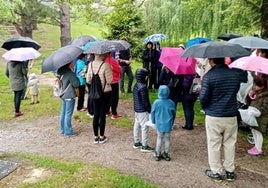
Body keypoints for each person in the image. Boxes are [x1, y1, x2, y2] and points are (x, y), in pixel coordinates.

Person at [199, 57, 240, 182]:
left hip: (214, 115)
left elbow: (203, 98)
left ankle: (216, 172)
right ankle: (230, 171)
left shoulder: (209, 76)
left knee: (214, 144)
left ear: (211, 60)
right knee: (230, 143)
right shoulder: (234, 74)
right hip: (231, 115)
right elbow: (235, 91)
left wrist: (206, 108)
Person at [87, 53, 112, 144]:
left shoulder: (90, 64)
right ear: (103, 55)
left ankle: (95, 136)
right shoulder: (106, 65)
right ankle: (102, 136)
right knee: (102, 114)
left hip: (94, 92)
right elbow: (109, 81)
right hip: (105, 92)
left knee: (96, 114)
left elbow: (88, 80)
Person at [151, 85, 176, 161]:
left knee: (159, 138)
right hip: (168, 124)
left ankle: (157, 153)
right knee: (167, 139)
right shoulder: (171, 103)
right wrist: (172, 122)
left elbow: (153, 112)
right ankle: (166, 153)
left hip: (159, 124)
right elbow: (173, 113)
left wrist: (153, 121)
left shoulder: (156, 102)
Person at [245, 76, 268, 156]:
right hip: (254, 116)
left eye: (257, 85)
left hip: (261, 118)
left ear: (263, 86)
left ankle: (259, 148)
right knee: (253, 131)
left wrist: (258, 112)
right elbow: (248, 102)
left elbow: (265, 107)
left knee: (258, 132)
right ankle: (256, 146)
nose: (254, 86)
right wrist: (249, 96)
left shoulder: (266, 96)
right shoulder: (256, 92)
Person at [133, 68, 154, 152]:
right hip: (142, 110)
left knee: (137, 125)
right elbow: (145, 101)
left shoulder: (136, 85)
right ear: (144, 77)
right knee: (144, 127)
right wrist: (149, 110)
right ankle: (144, 146)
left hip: (136, 109)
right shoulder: (143, 87)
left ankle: (136, 142)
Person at [57, 61, 80, 137]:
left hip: (63, 95)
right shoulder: (70, 73)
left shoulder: (60, 72)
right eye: (72, 62)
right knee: (68, 114)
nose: (73, 64)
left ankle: (63, 129)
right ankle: (68, 132)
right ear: (69, 64)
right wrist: (77, 77)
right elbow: (76, 84)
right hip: (69, 95)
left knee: (63, 113)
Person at [105, 52, 122, 119]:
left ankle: (107, 111)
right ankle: (114, 113)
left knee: (107, 97)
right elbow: (118, 69)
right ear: (110, 53)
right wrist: (119, 66)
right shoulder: (112, 60)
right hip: (114, 81)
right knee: (114, 98)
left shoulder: (103, 60)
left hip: (106, 81)